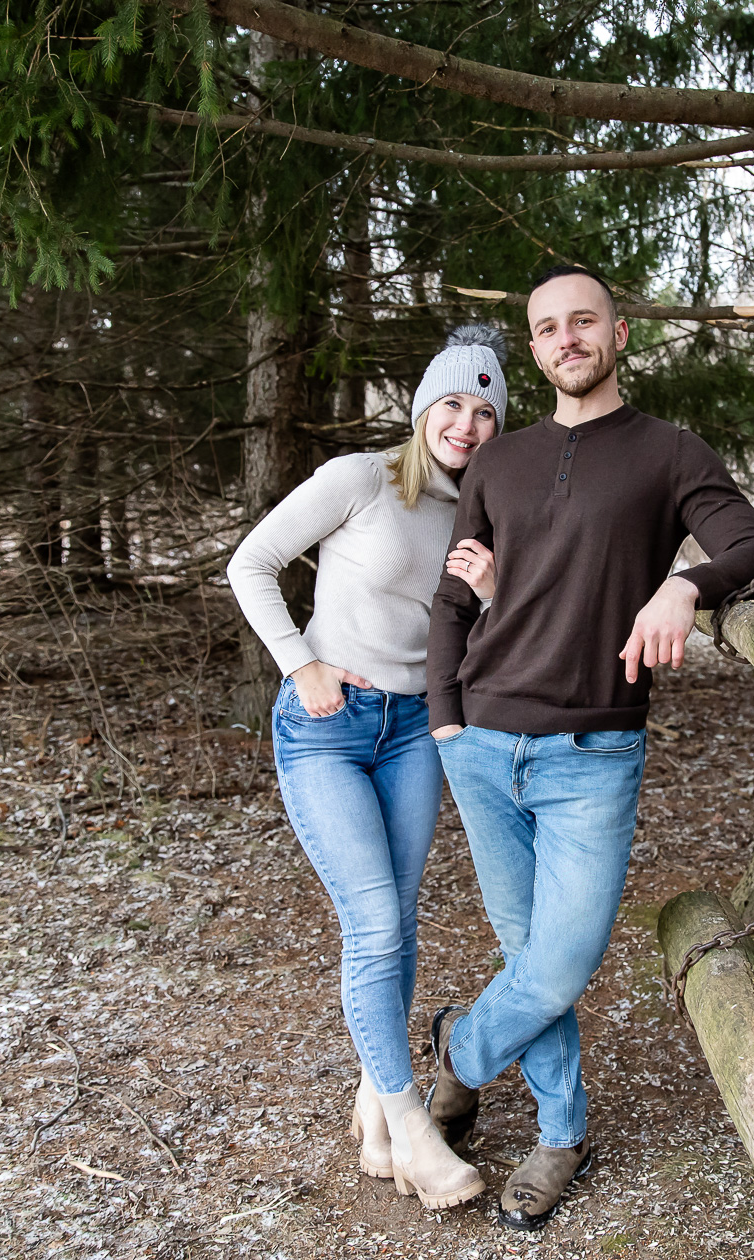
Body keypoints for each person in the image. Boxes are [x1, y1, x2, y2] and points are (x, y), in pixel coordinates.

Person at [424, 266, 754, 1230]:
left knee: (557, 965)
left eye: (584, 322)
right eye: (546, 329)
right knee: (525, 951)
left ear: (619, 335)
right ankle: (562, 1131)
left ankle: (456, 1056)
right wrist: (445, 720)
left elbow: (751, 540)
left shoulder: (667, 452)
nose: (565, 339)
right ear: (533, 350)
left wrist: (686, 587)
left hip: (593, 756)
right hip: (483, 744)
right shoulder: (500, 464)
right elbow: (456, 599)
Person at [227, 326, 509, 1210]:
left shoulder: (481, 515)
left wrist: (497, 598)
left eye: (486, 411)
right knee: (375, 915)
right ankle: (411, 1124)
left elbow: (477, 644)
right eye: (453, 404)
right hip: (327, 726)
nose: (466, 425)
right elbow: (252, 562)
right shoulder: (361, 480)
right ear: (425, 407)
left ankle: (372, 1101)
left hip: (415, 733)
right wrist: (296, 661)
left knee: (399, 921)